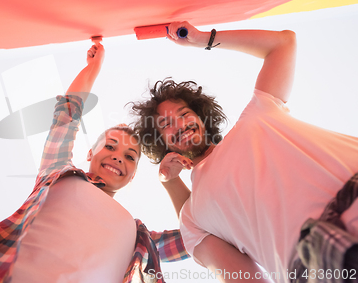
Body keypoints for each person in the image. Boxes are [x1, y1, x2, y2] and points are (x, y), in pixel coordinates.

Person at [0, 41, 189, 283]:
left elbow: (196, 237)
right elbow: (68, 113)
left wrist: (171, 180)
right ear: (90, 153)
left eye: (129, 157)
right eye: (110, 146)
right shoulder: (58, 172)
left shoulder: (137, 237)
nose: (117, 157)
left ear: (133, 174)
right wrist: (93, 68)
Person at [130, 21, 358, 283]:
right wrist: (170, 181)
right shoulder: (192, 219)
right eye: (166, 125)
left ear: (202, 117)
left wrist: (203, 38)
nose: (180, 124)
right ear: (162, 143)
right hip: (321, 263)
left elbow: (283, 44)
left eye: (184, 114)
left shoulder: (257, 115)